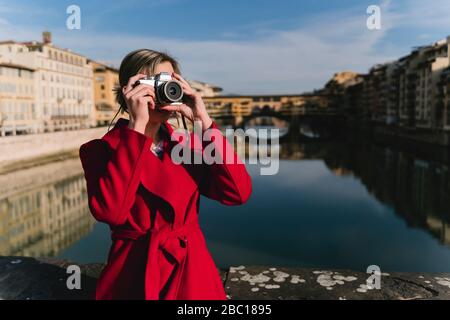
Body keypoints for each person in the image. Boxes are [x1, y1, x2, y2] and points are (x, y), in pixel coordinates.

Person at [79, 49, 252, 300]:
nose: (163, 91)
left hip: (192, 273)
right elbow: (111, 213)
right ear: (129, 90)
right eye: (153, 83)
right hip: (134, 276)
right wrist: (137, 128)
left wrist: (204, 121)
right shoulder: (100, 150)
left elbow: (237, 192)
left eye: (169, 83)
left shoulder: (187, 146)